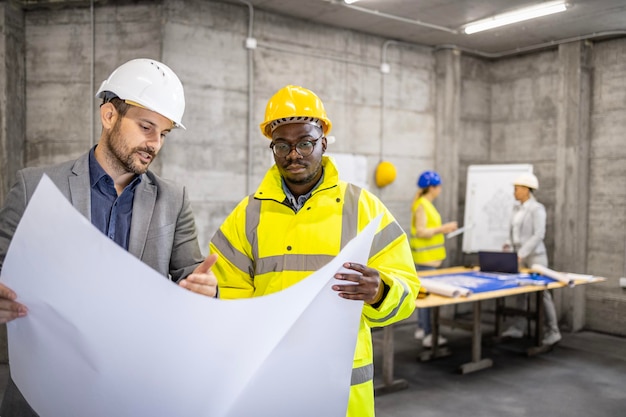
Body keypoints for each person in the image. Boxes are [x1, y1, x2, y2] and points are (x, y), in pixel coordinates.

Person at [0, 58, 218, 415]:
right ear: (109, 116)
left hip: (130, 392)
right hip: (43, 392)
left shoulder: (172, 200)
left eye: (164, 133)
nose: (155, 144)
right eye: (147, 127)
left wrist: (207, 290)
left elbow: (191, 277)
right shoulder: (35, 187)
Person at [209, 85, 420, 417]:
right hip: (270, 379)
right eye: (282, 145)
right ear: (272, 148)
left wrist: (380, 292)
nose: (294, 154)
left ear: (323, 142)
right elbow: (228, 293)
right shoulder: (247, 215)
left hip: (341, 388)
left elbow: (408, 291)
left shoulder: (363, 208)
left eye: (305, 142)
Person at [501, 173, 561, 345]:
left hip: (535, 257)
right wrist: (508, 245)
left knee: (542, 294)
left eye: (517, 188)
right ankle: (519, 328)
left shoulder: (537, 209)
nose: (514, 191)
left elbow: (538, 234)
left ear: (527, 189)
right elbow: (512, 233)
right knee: (520, 292)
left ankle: (553, 330)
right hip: (519, 256)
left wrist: (522, 253)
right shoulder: (515, 208)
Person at [409, 170, 458, 348]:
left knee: (425, 297)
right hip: (425, 260)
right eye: (439, 186)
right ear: (431, 187)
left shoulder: (425, 204)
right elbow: (421, 231)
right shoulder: (422, 205)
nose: (440, 190)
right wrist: (443, 228)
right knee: (427, 299)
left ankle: (423, 330)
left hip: (429, 259)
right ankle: (428, 334)